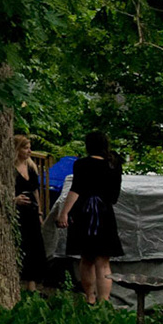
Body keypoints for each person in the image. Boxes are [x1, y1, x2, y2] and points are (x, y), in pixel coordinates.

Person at [56, 131, 123, 305]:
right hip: (105, 215)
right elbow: (114, 195)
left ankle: (90, 298)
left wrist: (64, 213)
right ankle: (104, 302)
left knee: (86, 258)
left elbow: (76, 190)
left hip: (84, 215)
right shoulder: (114, 163)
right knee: (103, 262)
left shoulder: (82, 164)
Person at [13, 135, 51, 291]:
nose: (29, 151)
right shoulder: (10, 168)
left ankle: (32, 286)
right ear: (17, 149)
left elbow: (35, 190)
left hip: (32, 211)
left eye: (30, 148)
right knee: (22, 244)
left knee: (35, 246)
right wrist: (14, 200)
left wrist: (39, 212)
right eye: (25, 148)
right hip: (18, 211)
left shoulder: (31, 167)